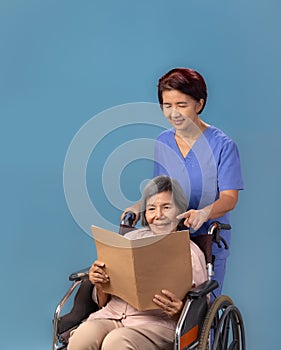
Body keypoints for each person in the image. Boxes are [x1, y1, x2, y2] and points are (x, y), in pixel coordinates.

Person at [122, 68, 244, 297]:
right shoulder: (163, 142)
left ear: (199, 104)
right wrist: (138, 205)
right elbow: (160, 190)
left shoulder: (223, 146)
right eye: (167, 106)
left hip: (207, 238)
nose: (174, 113)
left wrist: (204, 213)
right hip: (168, 238)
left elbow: (229, 198)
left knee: (199, 308)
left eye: (181, 105)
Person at [67, 175, 207, 350]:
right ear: (145, 214)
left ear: (180, 210)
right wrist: (100, 283)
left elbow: (201, 306)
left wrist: (180, 312)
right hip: (112, 315)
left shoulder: (190, 252)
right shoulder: (130, 239)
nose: (158, 215)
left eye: (166, 207)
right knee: (81, 339)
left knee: (115, 343)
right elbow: (103, 302)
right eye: (151, 209)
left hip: (156, 324)